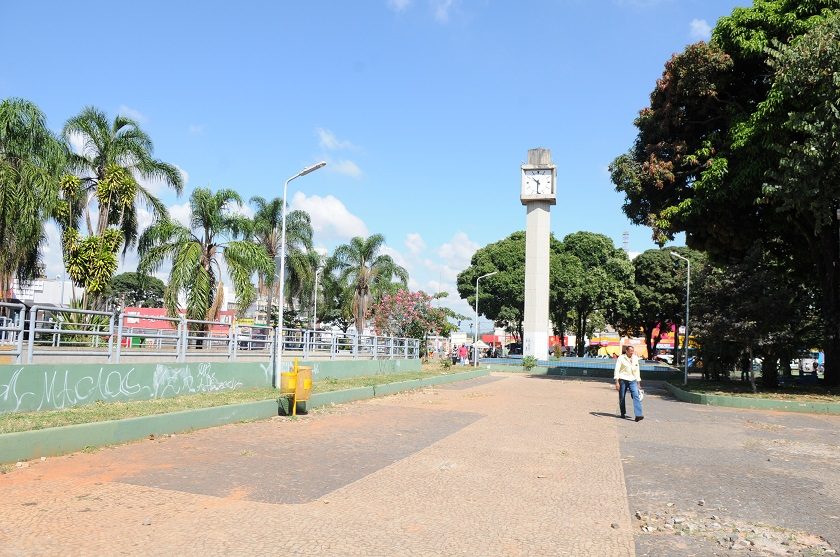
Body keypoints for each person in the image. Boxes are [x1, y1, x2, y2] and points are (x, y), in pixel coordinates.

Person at [614, 345, 644, 422]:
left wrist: (638, 382)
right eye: (630, 351)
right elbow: (617, 369)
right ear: (626, 351)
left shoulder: (635, 358)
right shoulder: (621, 358)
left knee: (636, 395)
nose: (632, 353)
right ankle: (623, 413)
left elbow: (637, 370)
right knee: (622, 397)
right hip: (623, 379)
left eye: (632, 351)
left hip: (633, 380)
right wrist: (617, 382)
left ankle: (638, 415)